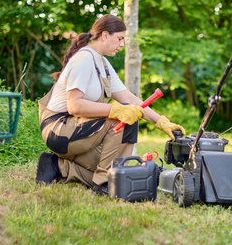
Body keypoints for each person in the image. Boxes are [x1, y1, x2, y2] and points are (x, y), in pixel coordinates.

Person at [36, 14, 185, 195]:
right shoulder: (84, 59)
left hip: (78, 131)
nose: (122, 44)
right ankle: (105, 183)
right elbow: (74, 106)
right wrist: (115, 109)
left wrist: (161, 122)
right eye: (120, 38)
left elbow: (129, 99)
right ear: (105, 35)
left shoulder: (103, 63)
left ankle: (57, 166)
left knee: (107, 164)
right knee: (123, 119)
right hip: (58, 130)